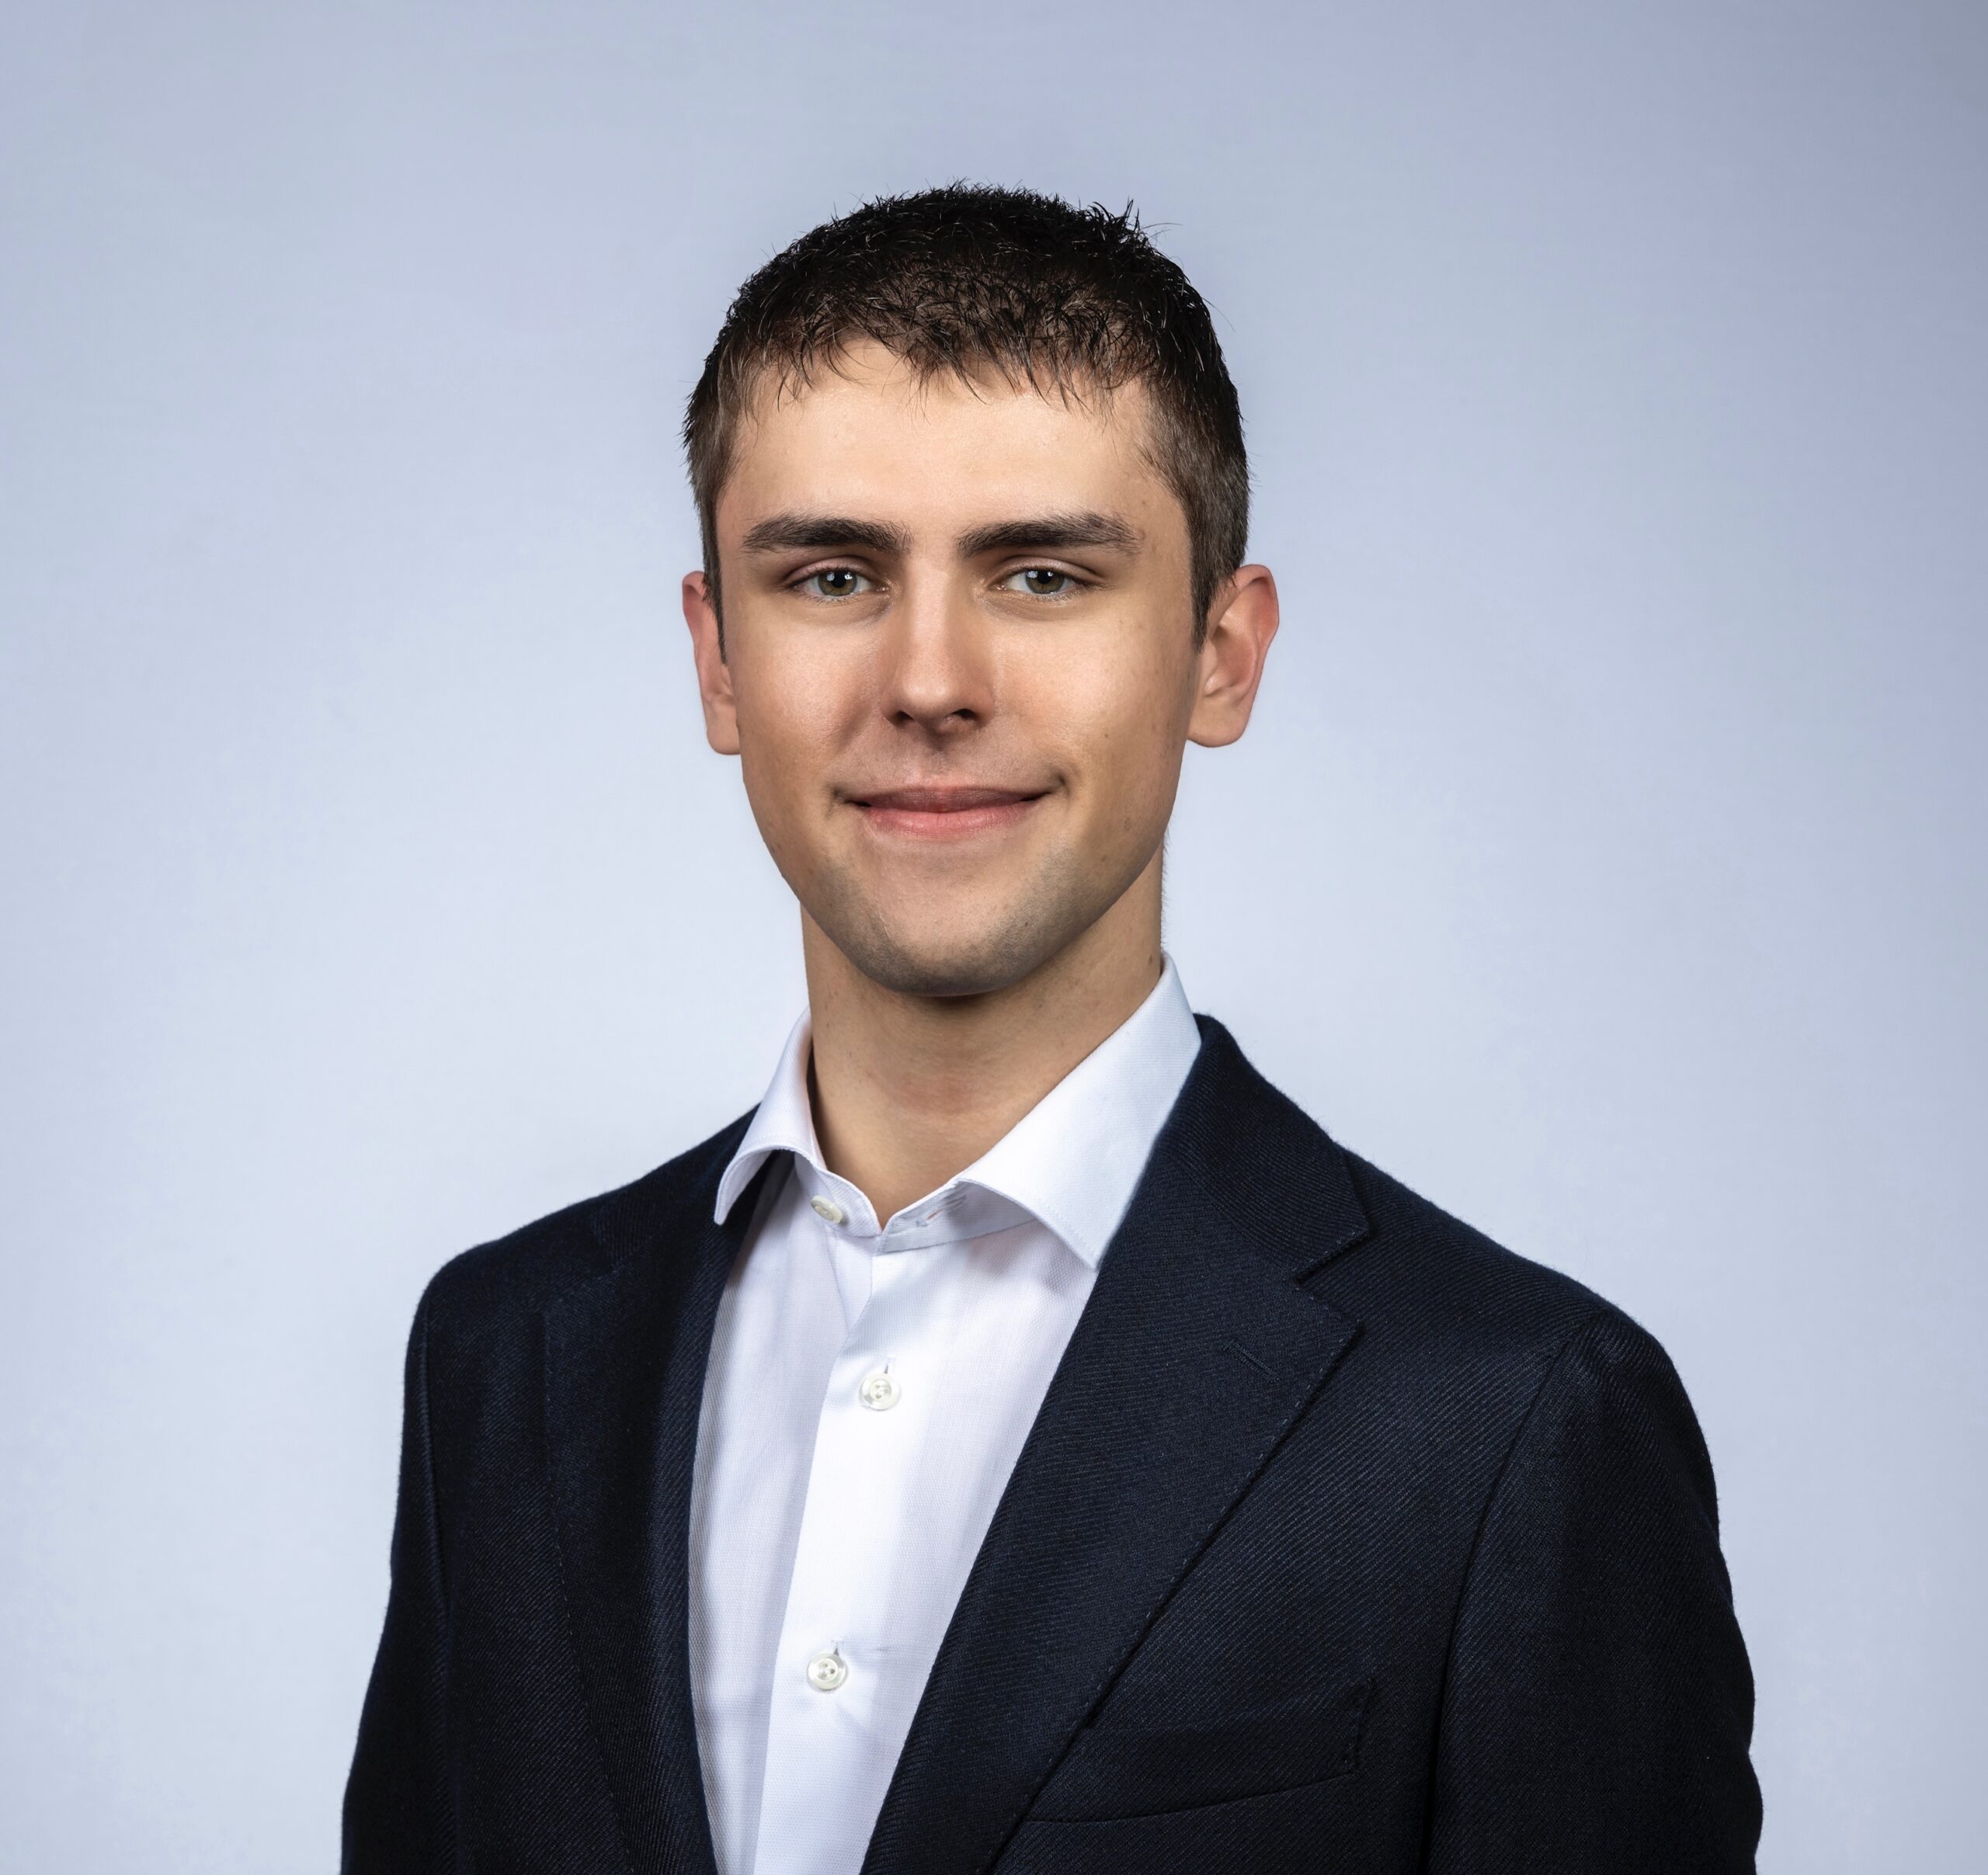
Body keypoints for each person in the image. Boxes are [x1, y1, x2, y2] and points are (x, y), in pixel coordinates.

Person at [342, 185, 1760, 1874]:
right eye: (832, 574)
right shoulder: (502, 1357)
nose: (930, 680)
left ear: (1219, 655)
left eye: (1039, 573)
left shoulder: (1510, 1420)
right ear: (718, 660)